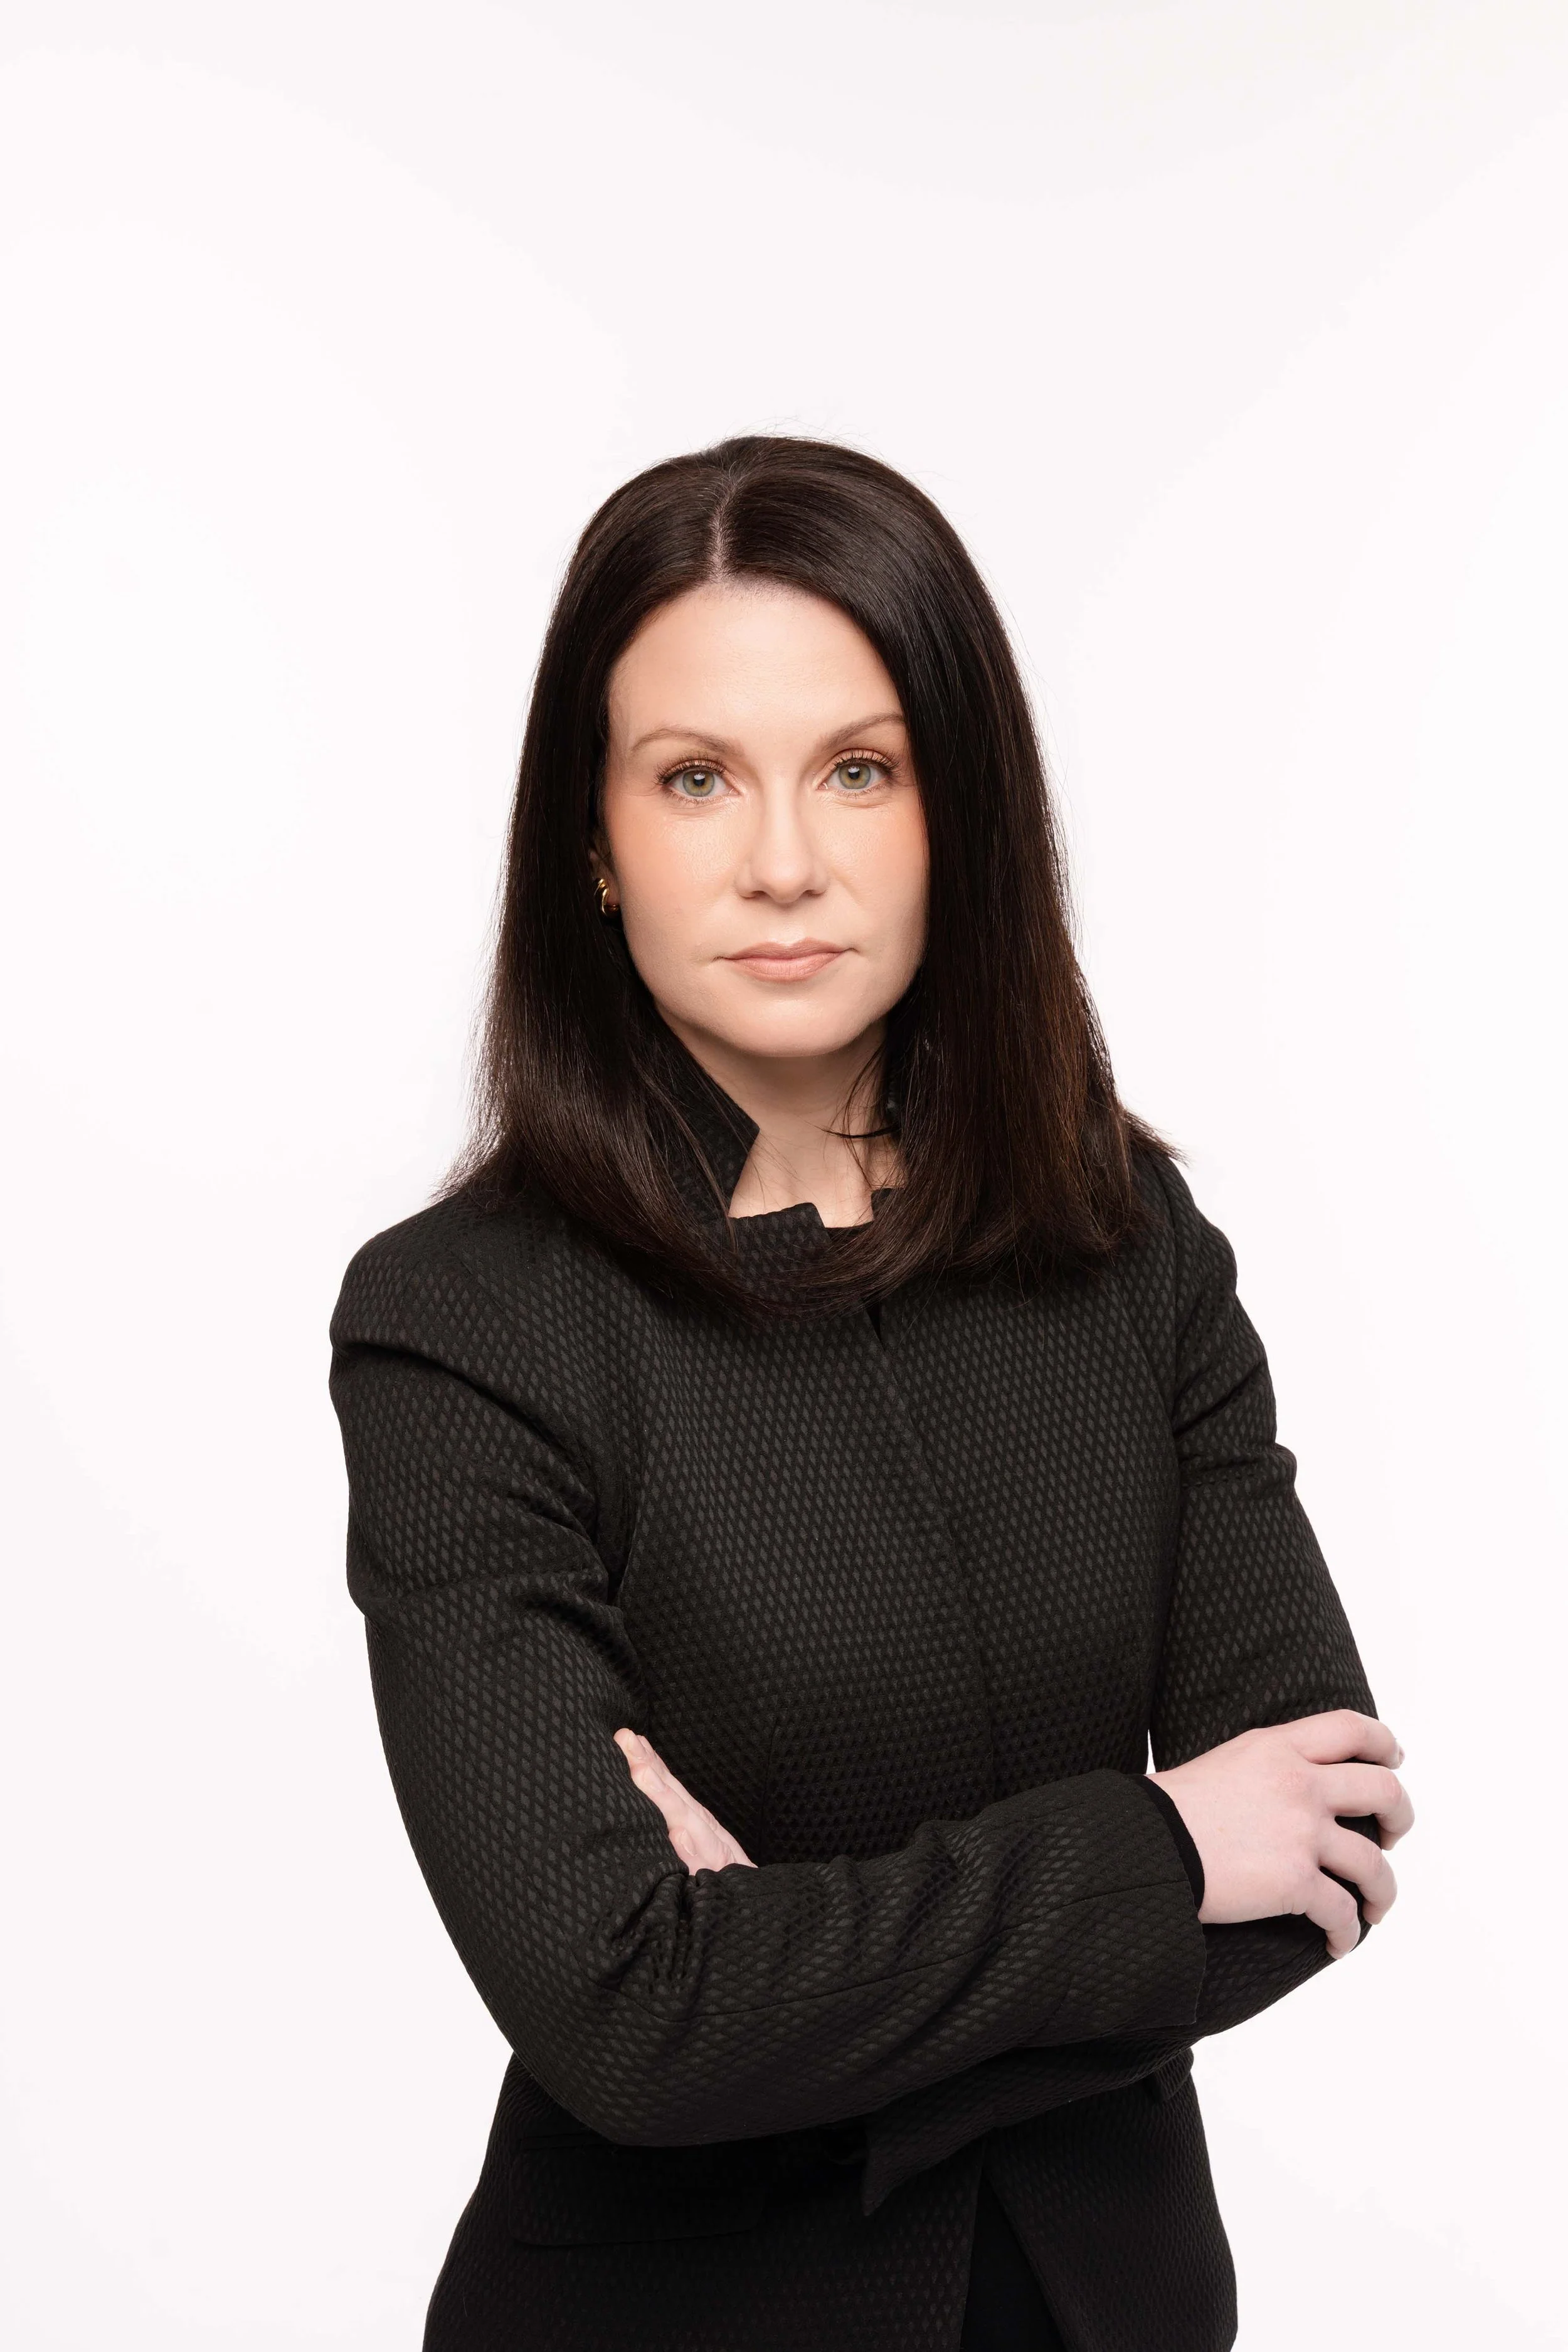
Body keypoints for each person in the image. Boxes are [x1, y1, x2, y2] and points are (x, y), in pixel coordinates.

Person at [328, 435, 1412, 2352]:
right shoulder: (466, 1325)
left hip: (1111, 2308)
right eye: (692, 779)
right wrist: (1152, 1851)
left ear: (953, 812)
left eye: (858, 767)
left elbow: (1316, 1837)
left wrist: (782, 1964)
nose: (780, 860)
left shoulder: (1123, 1235)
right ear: (590, 835)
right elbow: (629, 2015)